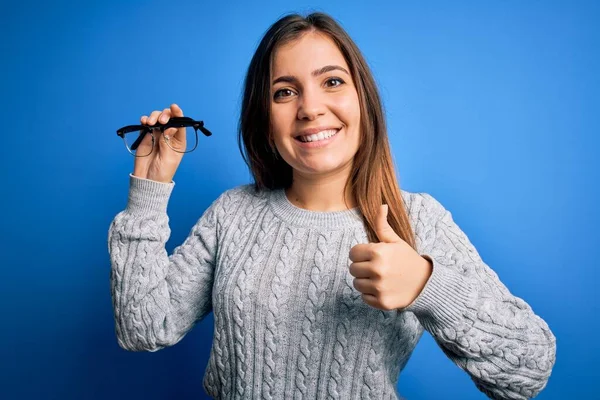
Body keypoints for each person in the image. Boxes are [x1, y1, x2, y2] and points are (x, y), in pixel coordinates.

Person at [108, 11, 556, 400]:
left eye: (332, 82)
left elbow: (529, 370)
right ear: (264, 119)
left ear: (364, 99)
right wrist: (150, 188)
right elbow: (143, 327)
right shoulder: (232, 214)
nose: (310, 107)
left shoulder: (418, 220)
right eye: (285, 91)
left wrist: (425, 283)